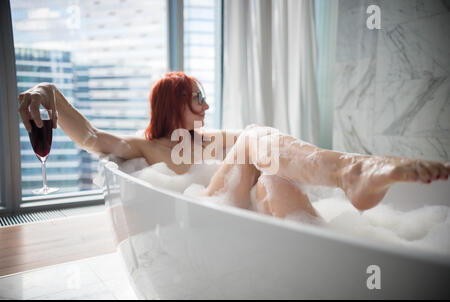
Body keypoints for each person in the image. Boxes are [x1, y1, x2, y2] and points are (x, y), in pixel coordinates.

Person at [17, 72, 450, 220]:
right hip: (208, 217)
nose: (207, 104)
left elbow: (263, 151)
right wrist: (50, 94)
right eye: (198, 97)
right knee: (254, 135)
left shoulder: (214, 141)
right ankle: (350, 171)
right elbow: (93, 140)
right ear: (175, 104)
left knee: (275, 176)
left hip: (236, 214)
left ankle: (330, 234)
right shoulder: (146, 149)